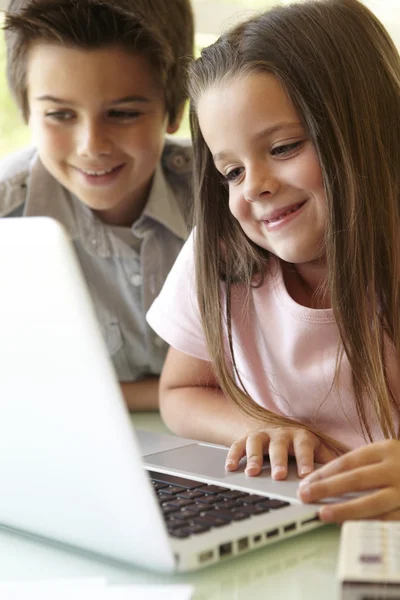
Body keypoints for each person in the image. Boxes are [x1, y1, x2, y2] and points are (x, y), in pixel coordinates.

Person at [146, 0, 400, 522]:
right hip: (294, 514)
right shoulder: (219, 252)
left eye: (283, 147)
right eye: (232, 172)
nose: (254, 187)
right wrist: (258, 426)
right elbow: (180, 391)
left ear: (371, 126)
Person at [0, 0, 194, 410]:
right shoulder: (7, 218)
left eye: (122, 113)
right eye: (59, 114)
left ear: (173, 110)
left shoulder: (227, 198)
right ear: (26, 112)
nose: (92, 146)